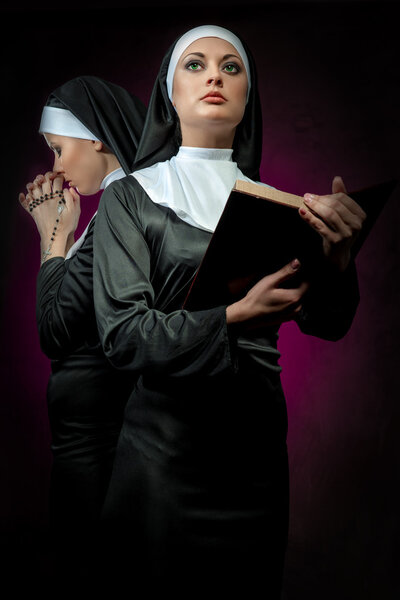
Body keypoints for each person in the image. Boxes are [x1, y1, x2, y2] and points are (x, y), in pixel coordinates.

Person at [92, 26, 364, 596]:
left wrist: (339, 259)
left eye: (231, 67)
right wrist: (235, 316)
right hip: (164, 458)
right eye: (195, 65)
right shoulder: (130, 196)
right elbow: (124, 336)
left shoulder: (282, 208)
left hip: (256, 463)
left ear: (248, 96)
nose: (214, 75)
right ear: (170, 91)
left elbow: (328, 322)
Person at [18, 76, 146, 588]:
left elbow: (55, 330)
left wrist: (52, 236)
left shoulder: (119, 209)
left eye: (59, 149)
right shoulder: (114, 210)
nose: (56, 168)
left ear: (95, 137)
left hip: (97, 443)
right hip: (89, 437)